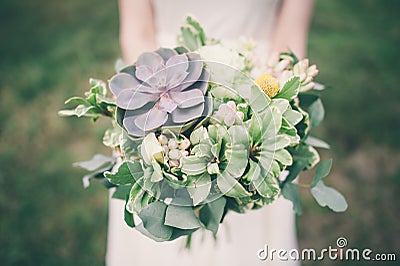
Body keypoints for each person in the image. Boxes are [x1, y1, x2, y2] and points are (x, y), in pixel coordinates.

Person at [107, 0, 315, 265]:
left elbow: (290, 36)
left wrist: (257, 118)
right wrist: (163, 121)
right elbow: (137, 32)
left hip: (257, 86)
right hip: (161, 91)